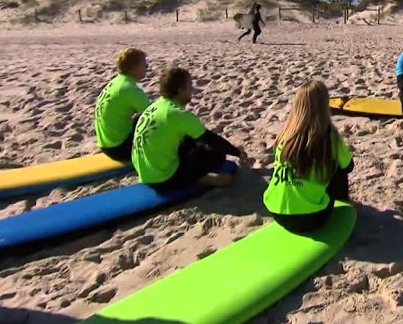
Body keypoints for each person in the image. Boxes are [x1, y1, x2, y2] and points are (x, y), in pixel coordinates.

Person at [132, 67, 248, 190]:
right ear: (180, 90)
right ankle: (201, 179)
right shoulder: (177, 113)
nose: (192, 89)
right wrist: (237, 152)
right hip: (164, 179)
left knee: (189, 140)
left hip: (144, 174)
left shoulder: (155, 106)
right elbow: (211, 139)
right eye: (189, 86)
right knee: (217, 153)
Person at [263, 80, 354, 233]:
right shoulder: (329, 137)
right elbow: (349, 166)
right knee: (338, 167)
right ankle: (342, 202)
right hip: (311, 217)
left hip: (275, 211)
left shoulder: (284, 135)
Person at [94, 47, 151, 162]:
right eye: (144, 64)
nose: (147, 67)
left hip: (105, 144)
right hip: (120, 150)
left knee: (139, 118)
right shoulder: (130, 89)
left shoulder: (116, 82)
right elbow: (156, 116)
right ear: (133, 67)